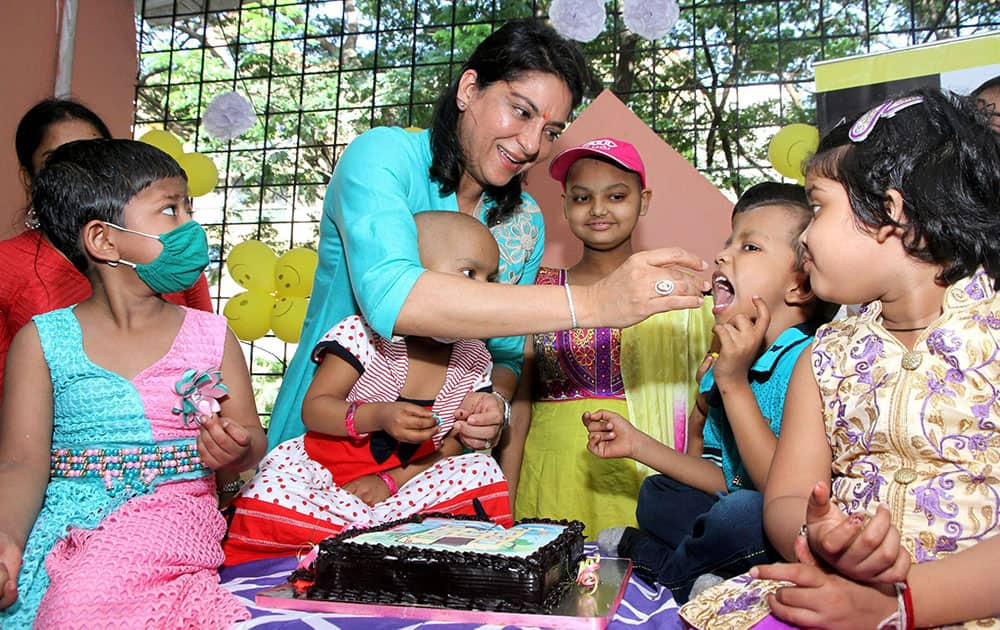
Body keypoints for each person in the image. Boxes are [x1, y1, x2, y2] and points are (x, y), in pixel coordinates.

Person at [265, 19, 711, 454]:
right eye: (520, 111)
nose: (534, 144)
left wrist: (494, 404)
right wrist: (595, 303)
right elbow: (394, 298)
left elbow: (507, 356)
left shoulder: (526, 221)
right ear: (468, 89)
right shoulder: (382, 157)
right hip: (321, 451)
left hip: (432, 472)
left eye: (551, 131)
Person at [679, 90, 1000, 629]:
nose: (803, 237)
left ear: (888, 214)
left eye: (819, 207)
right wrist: (815, 535)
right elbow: (782, 496)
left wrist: (900, 605)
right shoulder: (825, 355)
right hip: (834, 590)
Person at [0, 139, 266, 627]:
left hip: (173, 514)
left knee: (83, 607)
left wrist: (236, 450)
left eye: (189, 207)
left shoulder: (211, 335)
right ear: (104, 240)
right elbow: (20, 465)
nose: (190, 226)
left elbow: (251, 445)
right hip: (65, 522)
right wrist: (8, 540)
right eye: (170, 209)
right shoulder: (41, 341)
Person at [585, 182, 836, 604]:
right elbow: (726, 477)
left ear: (799, 287)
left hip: (780, 518)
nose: (723, 255)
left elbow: (777, 489)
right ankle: (710, 570)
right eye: (728, 243)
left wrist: (734, 383)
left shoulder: (808, 360)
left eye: (750, 248)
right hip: (732, 508)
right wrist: (637, 445)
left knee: (743, 515)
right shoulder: (727, 360)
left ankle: (668, 569)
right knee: (658, 494)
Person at [224, 211, 514, 565]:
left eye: (492, 278)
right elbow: (315, 409)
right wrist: (378, 415)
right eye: (469, 273)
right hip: (328, 483)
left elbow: (452, 445)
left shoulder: (474, 356)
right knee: (268, 491)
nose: (483, 289)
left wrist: (392, 481)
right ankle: (368, 548)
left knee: (481, 471)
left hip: (408, 487)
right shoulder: (363, 335)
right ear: (409, 273)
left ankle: (392, 550)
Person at [504, 137, 714, 538]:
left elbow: (706, 403)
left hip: (649, 479)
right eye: (582, 198)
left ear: (644, 201)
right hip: (552, 481)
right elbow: (522, 403)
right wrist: (507, 501)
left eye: (616, 195)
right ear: (564, 206)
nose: (598, 209)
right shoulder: (540, 291)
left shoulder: (684, 295)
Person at [0, 98, 213, 403]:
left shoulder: (172, 259)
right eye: (59, 160)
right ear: (29, 178)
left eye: (95, 153)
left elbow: (210, 373)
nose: (84, 169)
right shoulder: (7, 267)